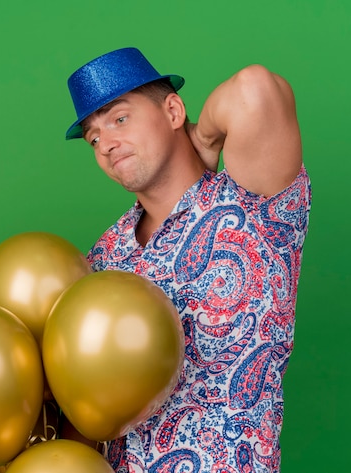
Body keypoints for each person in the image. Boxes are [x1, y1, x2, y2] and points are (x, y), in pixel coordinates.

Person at [64, 47, 311, 473]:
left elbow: (255, 89)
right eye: (94, 137)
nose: (106, 143)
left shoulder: (253, 204)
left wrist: (207, 138)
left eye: (119, 118)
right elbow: (82, 416)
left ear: (174, 110)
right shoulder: (101, 261)